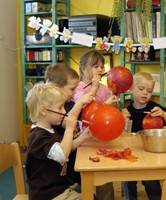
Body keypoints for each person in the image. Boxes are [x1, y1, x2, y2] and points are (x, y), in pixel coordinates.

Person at [25, 82, 93, 200]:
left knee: (91, 194)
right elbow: (62, 154)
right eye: (60, 107)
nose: (64, 112)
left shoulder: (48, 130)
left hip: (59, 188)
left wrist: (82, 137)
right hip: (48, 194)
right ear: (44, 111)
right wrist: (69, 128)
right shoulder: (38, 137)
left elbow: (65, 148)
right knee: (89, 196)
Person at [121, 72, 166, 200]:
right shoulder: (127, 110)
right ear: (131, 90)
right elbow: (124, 136)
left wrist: (163, 114)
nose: (145, 93)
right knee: (128, 178)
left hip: (151, 152)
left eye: (149, 91)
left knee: (151, 179)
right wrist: (124, 120)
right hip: (133, 153)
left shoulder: (155, 108)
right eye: (141, 89)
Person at [73, 49, 116, 200]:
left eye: (101, 66)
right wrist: (95, 88)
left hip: (102, 138)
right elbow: (86, 111)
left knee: (105, 177)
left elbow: (108, 115)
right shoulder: (77, 88)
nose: (99, 69)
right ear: (83, 68)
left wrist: (113, 103)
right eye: (95, 66)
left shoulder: (105, 89)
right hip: (85, 139)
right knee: (86, 176)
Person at [45, 63, 95, 185]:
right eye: (72, 89)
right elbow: (66, 121)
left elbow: (86, 117)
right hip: (64, 165)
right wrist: (80, 103)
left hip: (75, 153)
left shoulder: (70, 103)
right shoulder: (53, 110)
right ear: (56, 87)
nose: (74, 93)